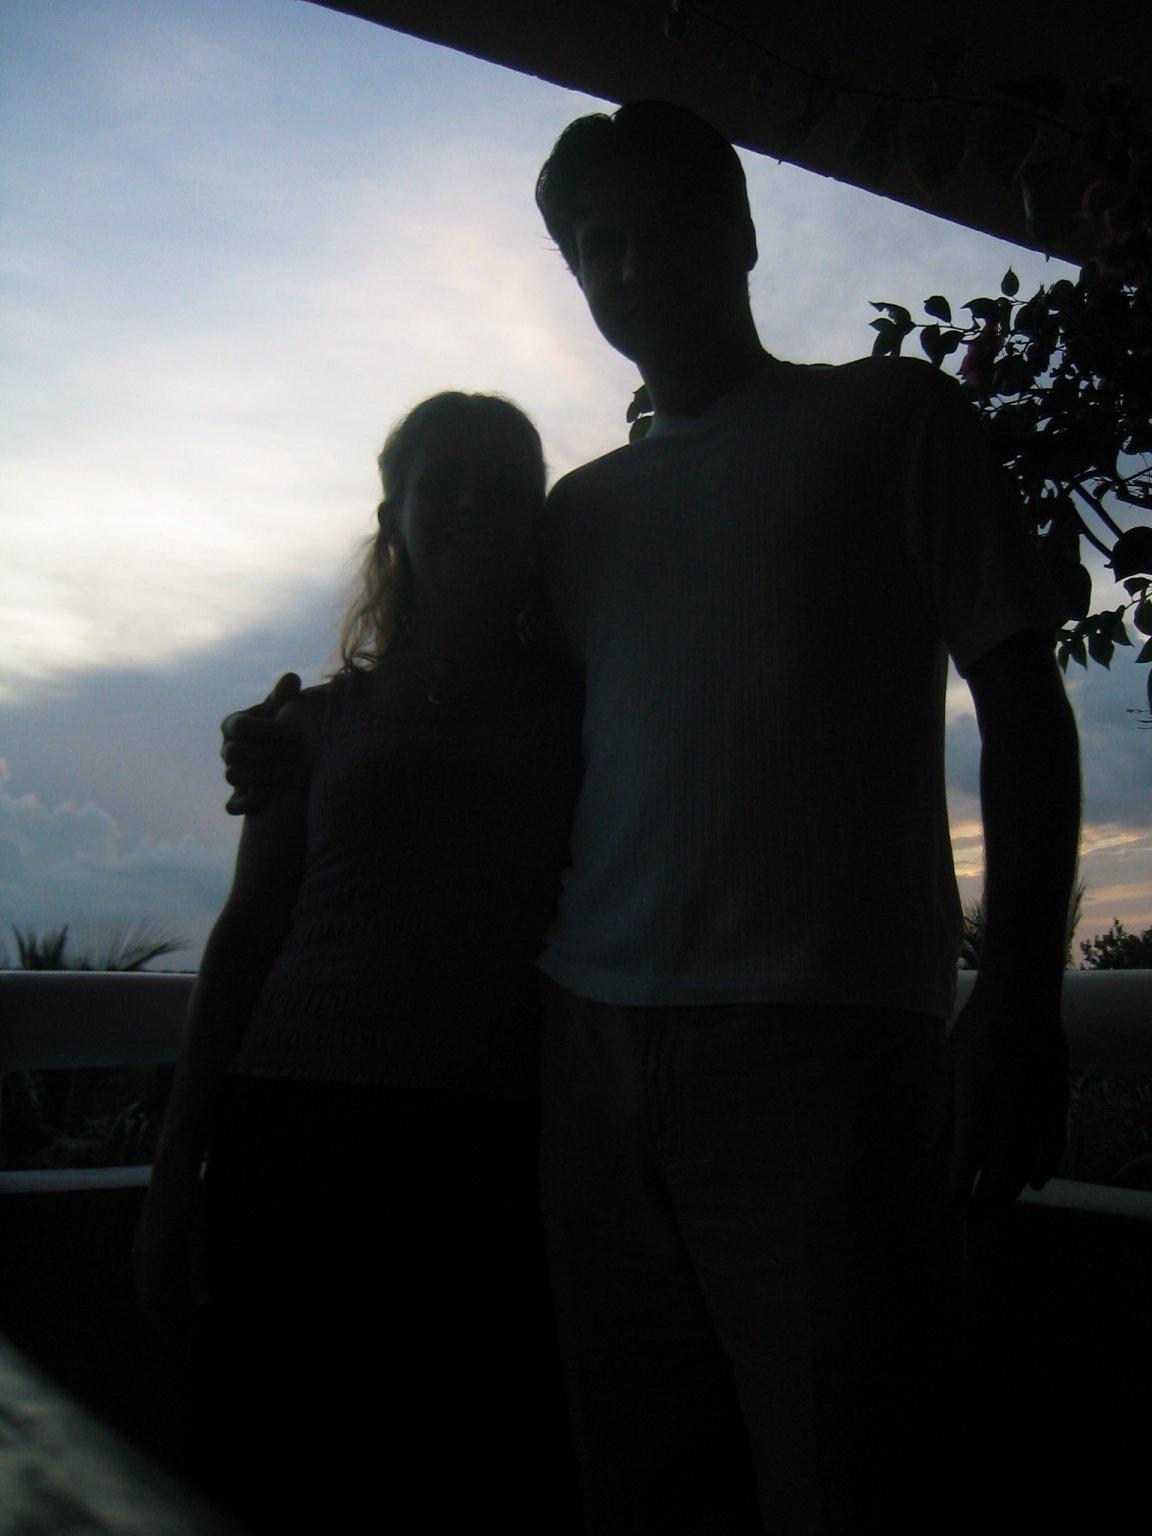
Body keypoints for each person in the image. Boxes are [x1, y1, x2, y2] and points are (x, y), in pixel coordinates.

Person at [223, 103, 1082, 1536]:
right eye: (597, 246)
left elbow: (1024, 704)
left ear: (740, 234)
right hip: (584, 1047)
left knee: (848, 1482)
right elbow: (469, 691)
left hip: (823, 1040)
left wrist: (1021, 996)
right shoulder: (584, 515)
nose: (631, 267)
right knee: (633, 1481)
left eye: (665, 228)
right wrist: (303, 729)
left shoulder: (894, 419)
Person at [136, 392, 583, 1535]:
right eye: (444, 482)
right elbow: (249, 932)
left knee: (462, 1475)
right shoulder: (316, 724)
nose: (475, 503)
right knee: (286, 1463)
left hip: (494, 1142)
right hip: (294, 1129)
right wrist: (177, 1163)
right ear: (395, 519)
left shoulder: (592, 713)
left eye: (505, 482)